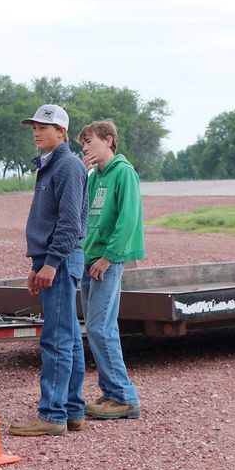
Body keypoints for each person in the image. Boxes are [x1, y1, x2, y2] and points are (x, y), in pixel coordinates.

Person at [9, 104, 87, 437]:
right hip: (55, 260)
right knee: (69, 339)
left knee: (56, 339)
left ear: (62, 132)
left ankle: (52, 414)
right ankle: (72, 410)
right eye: (35, 127)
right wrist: (36, 265)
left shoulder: (66, 166)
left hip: (62, 259)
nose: (37, 131)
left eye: (45, 127)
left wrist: (52, 263)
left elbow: (70, 223)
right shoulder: (51, 165)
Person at [78, 119, 145, 420]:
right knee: (100, 327)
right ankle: (110, 393)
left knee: (99, 326)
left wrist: (108, 257)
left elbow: (128, 219)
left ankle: (124, 396)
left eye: (89, 142)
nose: (86, 148)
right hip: (89, 258)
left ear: (108, 140)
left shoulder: (124, 173)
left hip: (107, 261)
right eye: (83, 144)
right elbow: (81, 210)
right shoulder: (93, 177)